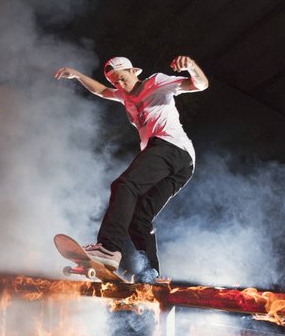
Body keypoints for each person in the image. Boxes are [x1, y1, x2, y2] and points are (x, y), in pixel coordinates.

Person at [54, 55, 208, 282]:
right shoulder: (123, 95)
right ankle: (151, 272)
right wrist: (77, 75)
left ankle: (108, 248)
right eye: (116, 81)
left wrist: (192, 67)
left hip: (170, 146)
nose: (120, 84)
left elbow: (199, 85)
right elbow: (101, 91)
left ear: (133, 71)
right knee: (139, 217)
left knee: (124, 185)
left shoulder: (156, 82)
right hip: (183, 166)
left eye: (123, 78)